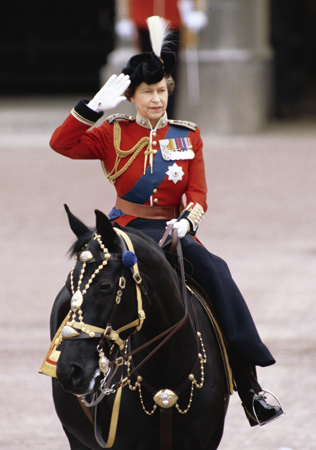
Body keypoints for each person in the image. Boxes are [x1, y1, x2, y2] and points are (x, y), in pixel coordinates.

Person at [50, 16, 284, 427]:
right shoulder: (113, 134)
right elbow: (61, 143)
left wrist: (189, 224)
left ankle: (249, 385)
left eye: (161, 91)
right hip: (124, 229)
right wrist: (92, 109)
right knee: (82, 285)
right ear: (132, 97)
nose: (157, 100)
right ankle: (70, 370)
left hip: (173, 232)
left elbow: (197, 194)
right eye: (148, 93)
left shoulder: (187, 135)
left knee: (217, 274)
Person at [115, 0, 208, 117]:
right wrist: (123, 16)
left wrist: (198, 9)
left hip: (172, 14)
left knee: (170, 73)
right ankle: (147, 118)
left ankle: (168, 118)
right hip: (144, 13)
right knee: (146, 72)